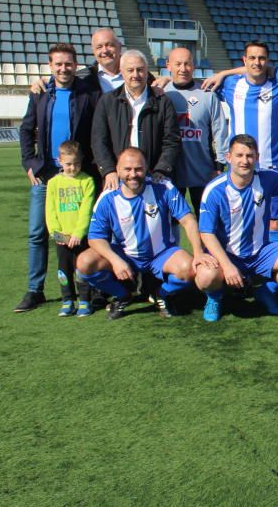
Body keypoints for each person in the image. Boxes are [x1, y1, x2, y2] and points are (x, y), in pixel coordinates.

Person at [195, 135, 278, 322]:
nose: (244, 161)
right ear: (229, 157)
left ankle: (266, 290)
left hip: (260, 252)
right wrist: (227, 266)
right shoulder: (215, 190)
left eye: (250, 156)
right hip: (227, 254)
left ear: (257, 157)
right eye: (239, 155)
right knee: (205, 277)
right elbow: (206, 233)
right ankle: (214, 298)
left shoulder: (265, 179)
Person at [76, 148, 216, 319]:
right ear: (118, 170)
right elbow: (95, 238)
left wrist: (198, 252)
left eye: (138, 169)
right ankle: (122, 296)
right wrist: (116, 261)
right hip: (126, 254)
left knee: (190, 269)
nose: (133, 174)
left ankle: (162, 294)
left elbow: (188, 220)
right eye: (127, 169)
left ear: (146, 168)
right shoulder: (107, 198)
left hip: (161, 253)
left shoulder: (163, 187)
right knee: (84, 263)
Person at [15, 43, 101, 313]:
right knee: (38, 233)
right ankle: (34, 290)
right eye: (58, 64)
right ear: (50, 66)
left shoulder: (88, 92)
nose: (63, 68)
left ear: (76, 66)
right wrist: (30, 162)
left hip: (79, 174)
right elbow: (26, 129)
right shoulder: (41, 93)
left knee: (85, 232)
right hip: (47, 174)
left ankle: (91, 290)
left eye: (68, 63)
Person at [213, 41, 278, 240]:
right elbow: (195, 86)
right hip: (240, 166)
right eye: (252, 58)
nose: (257, 62)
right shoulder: (231, 85)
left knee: (274, 221)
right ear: (244, 60)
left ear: (268, 61)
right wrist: (163, 82)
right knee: (239, 216)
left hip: (272, 166)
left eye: (261, 58)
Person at [91, 49, 180, 191]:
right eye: (130, 70)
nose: (135, 75)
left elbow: (171, 141)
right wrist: (108, 170)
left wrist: (162, 169)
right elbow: (99, 141)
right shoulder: (107, 102)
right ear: (121, 71)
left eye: (140, 70)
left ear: (146, 71)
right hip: (117, 180)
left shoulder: (163, 102)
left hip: (154, 177)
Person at [163, 47, 228, 213]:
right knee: (170, 222)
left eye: (187, 64)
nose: (183, 69)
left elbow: (220, 131)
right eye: (178, 64)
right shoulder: (162, 94)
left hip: (204, 173)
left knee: (207, 222)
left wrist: (219, 166)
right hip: (171, 173)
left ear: (194, 66)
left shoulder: (208, 94)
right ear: (168, 65)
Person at [44, 141, 97, 317]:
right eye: (68, 164)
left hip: (80, 237)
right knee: (64, 269)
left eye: (76, 163)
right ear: (60, 161)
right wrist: (56, 233)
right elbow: (50, 211)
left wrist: (78, 233)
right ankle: (67, 300)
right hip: (62, 237)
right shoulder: (53, 183)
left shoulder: (87, 181)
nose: (72, 168)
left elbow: (86, 210)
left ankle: (84, 300)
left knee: (82, 269)